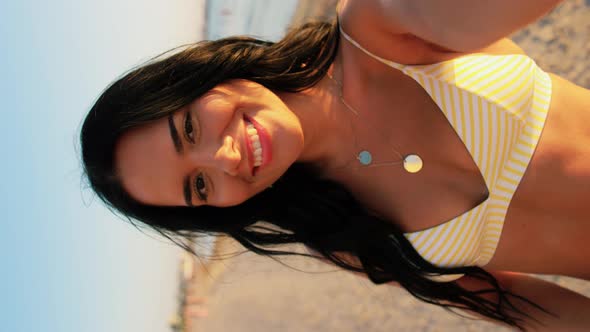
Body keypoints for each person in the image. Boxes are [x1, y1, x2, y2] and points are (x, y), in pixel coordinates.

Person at [80, 0, 590, 330]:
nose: (224, 159)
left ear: (201, 77)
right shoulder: (343, 238)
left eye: (188, 129)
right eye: (198, 186)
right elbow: (522, 305)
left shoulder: (377, 28)